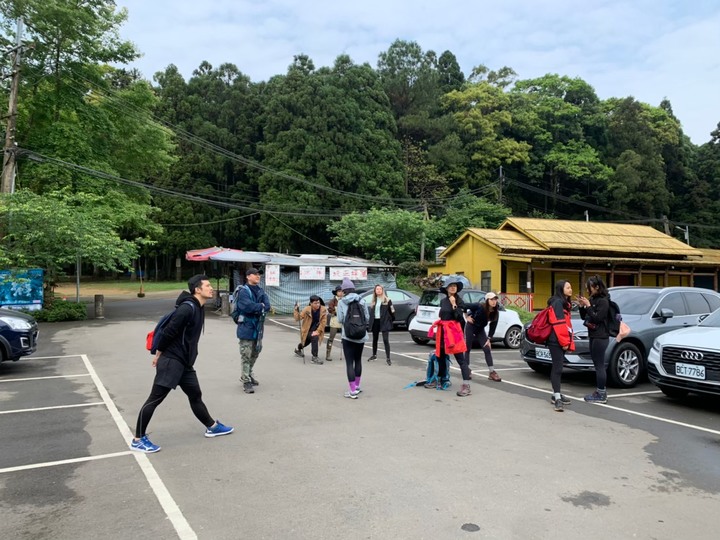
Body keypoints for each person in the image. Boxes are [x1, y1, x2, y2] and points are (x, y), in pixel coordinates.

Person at [130, 275, 233, 453]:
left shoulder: (199, 307)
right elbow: (168, 332)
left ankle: (212, 426)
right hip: (172, 361)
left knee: (195, 395)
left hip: (184, 363)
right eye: (207, 285)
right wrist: (159, 354)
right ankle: (138, 439)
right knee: (155, 399)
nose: (211, 288)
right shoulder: (187, 309)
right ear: (197, 290)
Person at [425, 278, 470, 396]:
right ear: (446, 288)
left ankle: (466, 385)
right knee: (441, 357)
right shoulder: (443, 301)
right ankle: (440, 380)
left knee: (461, 359)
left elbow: (459, 318)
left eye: (455, 286)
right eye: (450, 285)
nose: (453, 287)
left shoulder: (460, 302)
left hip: (454, 332)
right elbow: (442, 315)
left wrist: (454, 304)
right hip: (443, 331)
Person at [234, 267, 271, 394]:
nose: (258, 276)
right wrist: (259, 306)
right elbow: (247, 306)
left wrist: (260, 307)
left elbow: (268, 306)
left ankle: (249, 373)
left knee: (256, 351)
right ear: (248, 276)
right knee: (246, 353)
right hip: (246, 327)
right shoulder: (243, 291)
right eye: (255, 274)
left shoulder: (261, 291)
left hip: (258, 327)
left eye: (259, 274)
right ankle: (246, 380)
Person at [577, 275, 610, 404]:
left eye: (589, 287)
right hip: (593, 334)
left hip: (601, 336)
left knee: (599, 365)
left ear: (597, 287)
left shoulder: (603, 301)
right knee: (596, 364)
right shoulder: (593, 299)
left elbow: (597, 318)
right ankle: (599, 391)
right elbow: (584, 317)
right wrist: (582, 306)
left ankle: (601, 393)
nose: (588, 290)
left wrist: (589, 305)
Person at [336, 277, 370, 399]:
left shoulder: (341, 302)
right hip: (361, 335)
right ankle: (357, 386)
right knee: (358, 360)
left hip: (348, 336)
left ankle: (352, 391)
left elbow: (340, 319)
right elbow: (366, 317)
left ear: (344, 290)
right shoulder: (362, 300)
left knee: (349, 362)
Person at [547, 279, 575, 412]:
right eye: (568, 287)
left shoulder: (564, 303)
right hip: (556, 340)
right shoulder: (558, 303)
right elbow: (558, 324)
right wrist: (565, 343)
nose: (570, 289)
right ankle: (557, 398)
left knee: (558, 367)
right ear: (561, 289)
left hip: (558, 340)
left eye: (570, 287)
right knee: (557, 368)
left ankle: (556, 394)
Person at [464, 292, 502, 382]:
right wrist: (467, 317)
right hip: (471, 326)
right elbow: (463, 306)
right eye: (491, 299)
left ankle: (492, 372)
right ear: (487, 300)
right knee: (467, 348)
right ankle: (467, 370)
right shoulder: (479, 306)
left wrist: (489, 338)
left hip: (480, 329)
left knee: (487, 349)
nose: (494, 301)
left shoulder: (495, 311)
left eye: (495, 299)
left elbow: (493, 325)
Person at [293, 295, 328, 364]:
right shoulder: (307, 309)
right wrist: (296, 310)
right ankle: (313, 356)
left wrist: (318, 331)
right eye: (315, 303)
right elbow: (298, 318)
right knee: (306, 341)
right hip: (307, 330)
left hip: (316, 330)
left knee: (309, 340)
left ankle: (301, 351)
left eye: (318, 302)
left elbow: (323, 322)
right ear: (311, 303)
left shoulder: (323, 309)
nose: (318, 304)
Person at [367, 284, 395, 365]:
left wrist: (391, 319)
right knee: (375, 339)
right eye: (377, 289)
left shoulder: (387, 300)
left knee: (385, 340)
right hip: (376, 321)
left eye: (380, 289)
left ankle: (388, 358)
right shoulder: (374, 301)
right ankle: (374, 355)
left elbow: (392, 311)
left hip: (384, 321)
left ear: (382, 290)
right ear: (375, 291)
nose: (378, 290)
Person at [325, 285, 344, 362]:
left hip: (343, 321)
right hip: (335, 321)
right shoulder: (332, 301)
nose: (341, 293)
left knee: (345, 339)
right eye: (339, 291)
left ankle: (347, 354)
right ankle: (328, 354)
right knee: (331, 338)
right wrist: (336, 311)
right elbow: (330, 309)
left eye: (342, 291)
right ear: (336, 292)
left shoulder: (345, 300)